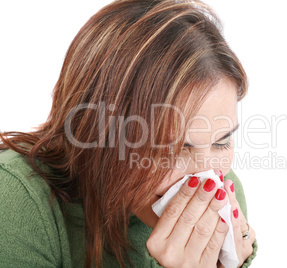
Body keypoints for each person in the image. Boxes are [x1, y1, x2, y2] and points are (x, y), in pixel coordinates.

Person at [0, 0, 257, 267]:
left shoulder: (224, 197)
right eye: (171, 147)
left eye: (222, 141)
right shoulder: (15, 202)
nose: (207, 178)